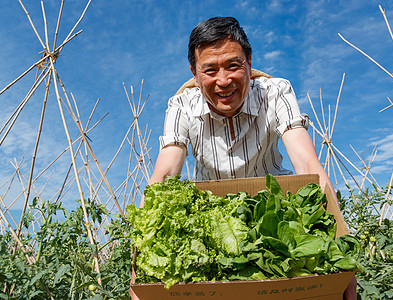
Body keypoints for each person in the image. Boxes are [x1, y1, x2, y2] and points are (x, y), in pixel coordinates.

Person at [140, 16, 356, 299]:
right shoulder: (181, 106)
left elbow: (307, 165)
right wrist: (140, 264)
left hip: (276, 219)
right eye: (210, 70)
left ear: (249, 62)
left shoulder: (276, 92)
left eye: (233, 65)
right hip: (212, 223)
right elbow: (165, 175)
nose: (224, 80)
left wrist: (341, 248)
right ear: (194, 73)